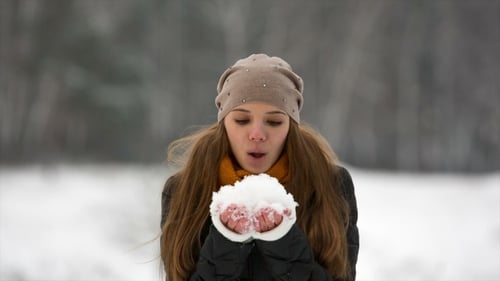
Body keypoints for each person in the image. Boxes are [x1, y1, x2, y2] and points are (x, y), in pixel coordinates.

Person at [160, 53, 359, 281]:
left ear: (290, 126)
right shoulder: (184, 188)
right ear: (223, 123)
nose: (257, 135)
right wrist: (228, 239)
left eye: (274, 122)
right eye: (241, 120)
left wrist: (281, 239)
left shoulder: (330, 184)